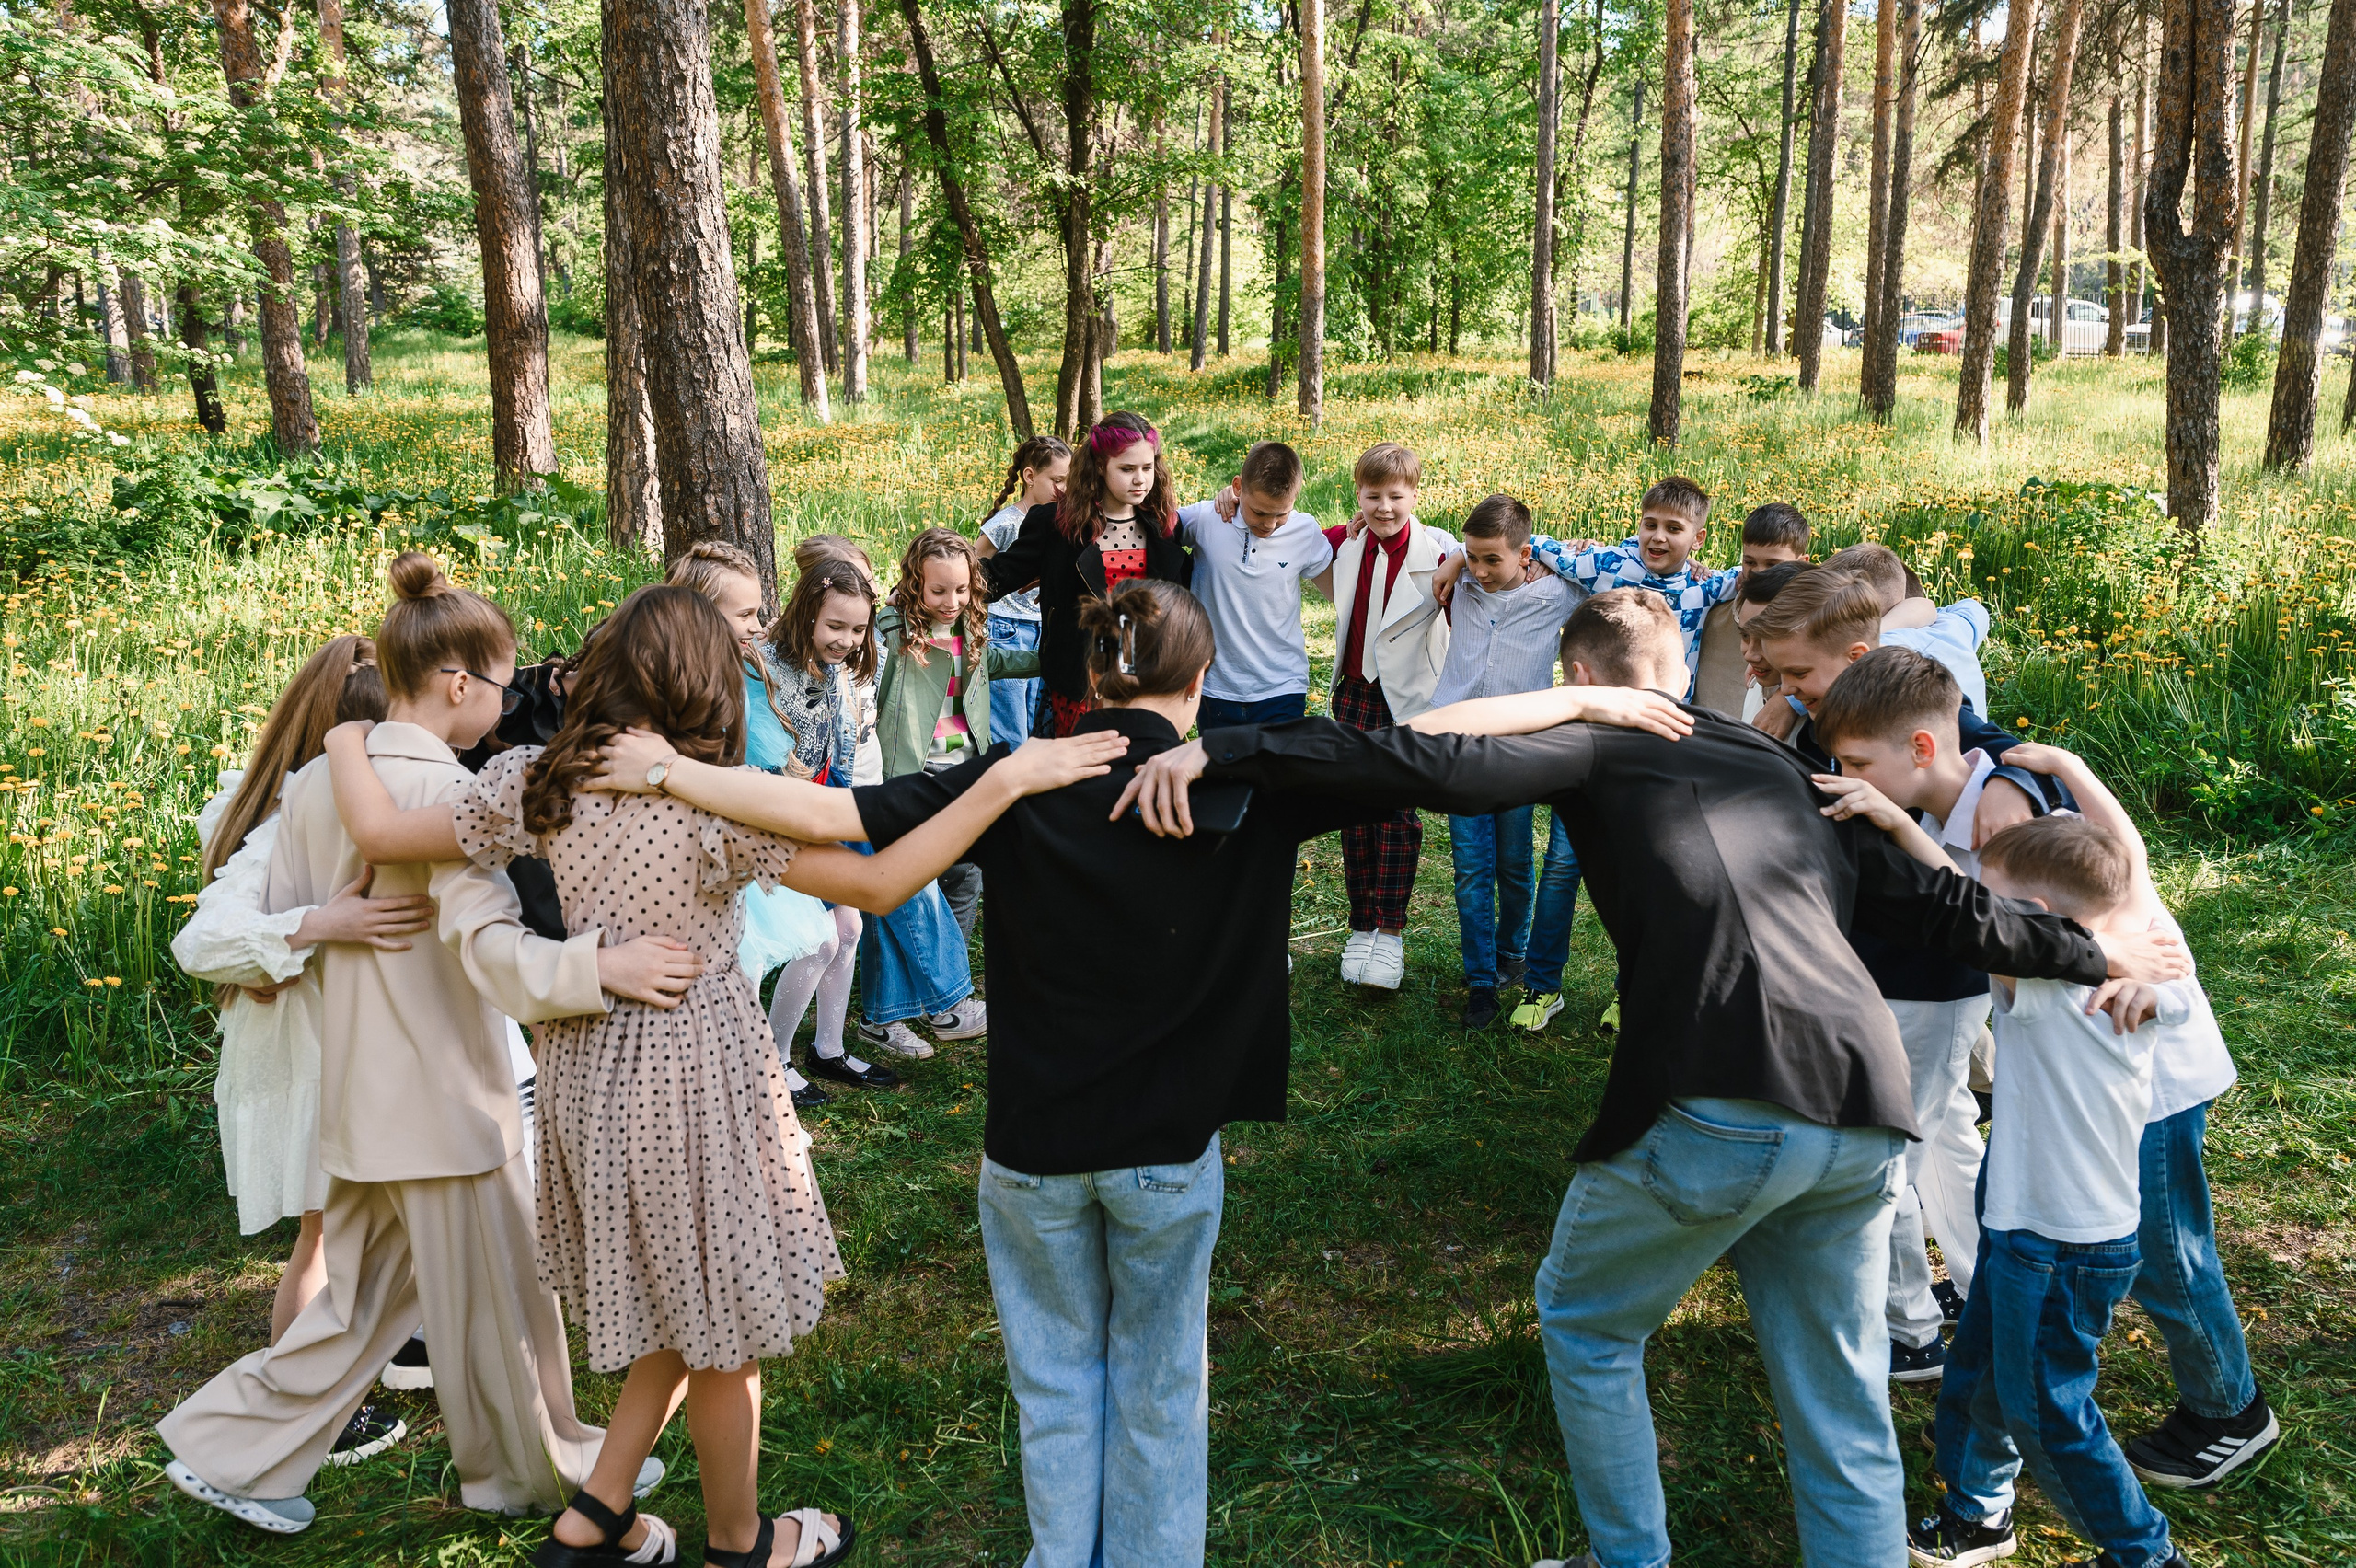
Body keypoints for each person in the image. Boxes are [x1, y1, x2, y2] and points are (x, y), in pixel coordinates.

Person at [595, 578, 1692, 1568]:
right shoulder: (1257, 776)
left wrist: (670, 771)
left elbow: (840, 818)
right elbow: (1426, 744)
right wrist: (1580, 702)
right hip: (1169, 1144)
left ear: (1085, 677)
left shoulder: (1019, 777)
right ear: (1203, 678)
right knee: (1163, 1382)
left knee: (1054, 1381)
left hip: (1033, 1144)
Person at [1117, 586, 2194, 1568]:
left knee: (1586, 1321)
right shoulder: (1777, 759)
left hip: (1722, 1092)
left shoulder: (1600, 740)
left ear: (1577, 682)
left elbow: (1413, 764)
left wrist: (1226, 752)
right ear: (1679, 670)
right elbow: (1943, 910)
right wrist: (2097, 952)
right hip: (1865, 1105)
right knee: (1840, 1392)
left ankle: (1627, 1559)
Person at [318, 583, 1130, 1568]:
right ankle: (741, 1544)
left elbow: (382, 835)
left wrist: (347, 737)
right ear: (707, 686)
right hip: (691, 1074)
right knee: (722, 1329)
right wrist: (1002, 784)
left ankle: (595, 1519)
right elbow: (878, 880)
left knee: (681, 1296)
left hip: (583, 1068)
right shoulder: (706, 806)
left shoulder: (540, 779)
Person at [157, 556, 704, 1537]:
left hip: (361, 1096)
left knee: (358, 1307)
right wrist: (596, 971)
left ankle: (229, 1451)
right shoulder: (439, 796)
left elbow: (287, 915)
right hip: (446, 1097)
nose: (503, 705)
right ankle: (540, 1474)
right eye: (499, 685)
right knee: (504, 1304)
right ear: (459, 683)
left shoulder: (328, 779)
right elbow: (489, 946)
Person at [1976, 744, 2281, 1496]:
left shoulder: (2118, 929)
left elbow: (2130, 853)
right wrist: (2065, 765)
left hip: (2158, 1103)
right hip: (2124, 1105)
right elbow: (2128, 841)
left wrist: (2065, 765)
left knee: (2170, 1254)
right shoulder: (2100, 902)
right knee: (2161, 1247)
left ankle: (2229, 1411)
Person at [1909, 813, 2195, 1568]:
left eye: (1996, 900)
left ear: (2039, 924)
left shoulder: (2042, 984)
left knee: (2046, 1410)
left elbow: (1954, 904)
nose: (1983, 909)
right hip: (2027, 1227)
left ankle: (2144, 1555)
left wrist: (1888, 825)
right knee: (1978, 1372)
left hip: (2061, 1246)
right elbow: (2136, 894)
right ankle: (1977, 1514)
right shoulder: (2123, 981)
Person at [174, 636, 428, 1458]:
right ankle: (308, 1399)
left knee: (383, 1219)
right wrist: (325, 924)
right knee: (326, 1231)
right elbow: (205, 940)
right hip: (309, 1059)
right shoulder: (289, 819)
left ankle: (390, 1346)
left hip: (346, 1049)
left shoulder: (327, 807)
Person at [1810, 648, 2021, 1381]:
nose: (1849, 780)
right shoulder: (1949, 788)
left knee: (1887, 1148)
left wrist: (1896, 825)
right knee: (1944, 1134)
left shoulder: (2001, 811)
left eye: (1859, 764)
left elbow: (1991, 920)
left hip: (1936, 990)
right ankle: (1976, 1288)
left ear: (1923, 748)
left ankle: (1909, 1329)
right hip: (1942, 992)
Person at [666, 541, 841, 1110]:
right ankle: (730, 1090)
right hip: (699, 844)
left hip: (742, 826)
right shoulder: (677, 680)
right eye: (745, 614)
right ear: (699, 612)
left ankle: (752, 1080)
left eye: (759, 611)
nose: (758, 625)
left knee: (760, 961)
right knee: (723, 970)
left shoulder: (739, 666)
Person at [863, 528, 1035, 1052]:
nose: (951, 601)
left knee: (963, 881)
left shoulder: (969, 627)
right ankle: (893, 1013)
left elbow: (996, 666)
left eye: (961, 590)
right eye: (938, 591)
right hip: (913, 781)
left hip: (965, 775)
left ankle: (943, 997)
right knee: (903, 892)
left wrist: (1060, 659)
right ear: (914, 584)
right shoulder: (893, 634)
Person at [1429, 493, 1586, 1031]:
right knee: (1472, 865)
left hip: (1521, 744)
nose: (1479, 568)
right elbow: (1439, 544)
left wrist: (1569, 550)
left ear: (1526, 554)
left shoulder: (1557, 592)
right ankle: (1479, 982)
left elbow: (1617, 572)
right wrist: (1456, 558)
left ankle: (1511, 954)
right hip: (1462, 742)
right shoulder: (1465, 580)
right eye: (1473, 556)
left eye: (1492, 559)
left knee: (1515, 863)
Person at [1747, 566, 2042, 846]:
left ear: (1856, 657)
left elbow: (2021, 757)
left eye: (1799, 673)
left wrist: (2009, 782)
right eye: (1781, 672)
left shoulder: (1911, 707)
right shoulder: (1812, 729)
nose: (1785, 689)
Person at [758, 556, 901, 1095]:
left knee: (850, 930)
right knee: (819, 940)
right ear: (805, 617)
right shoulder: (768, 663)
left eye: (858, 628)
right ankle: (771, 1060)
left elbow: (836, 737)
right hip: (780, 814)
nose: (846, 639)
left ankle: (828, 1050)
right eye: (834, 626)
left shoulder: (837, 664)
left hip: (826, 802)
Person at [1322, 441, 1460, 991]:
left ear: (1415, 495)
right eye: (1372, 495)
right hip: (1354, 691)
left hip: (1406, 698)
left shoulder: (1439, 548)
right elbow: (1302, 545)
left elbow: (1488, 556)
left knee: (1397, 815)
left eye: (1395, 496)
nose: (1384, 507)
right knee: (1355, 809)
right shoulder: (1348, 544)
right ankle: (1361, 925)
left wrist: (1458, 558)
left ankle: (1391, 931)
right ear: (1357, 496)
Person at [980, 410, 1193, 738]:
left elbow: (1185, 600)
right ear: (1099, 467)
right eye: (1127, 469)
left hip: (1147, 684)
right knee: (1083, 779)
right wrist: (919, 588)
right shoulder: (1058, 524)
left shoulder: (1163, 526)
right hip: (1080, 686)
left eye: (1147, 468)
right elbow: (997, 577)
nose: (1140, 479)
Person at [1501, 475, 1742, 694]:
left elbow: (1756, 569)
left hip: (1668, 714)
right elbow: (1525, 542)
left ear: (1698, 539)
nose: (1658, 536)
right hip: (1605, 707)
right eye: (1650, 525)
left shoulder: (1703, 586)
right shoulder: (1608, 565)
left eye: (1674, 529)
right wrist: (1531, 557)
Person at [1181, 439, 1336, 731]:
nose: (1269, 524)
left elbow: (1341, 594)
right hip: (1215, 685)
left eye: (1281, 514)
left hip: (1282, 685)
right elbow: (1152, 528)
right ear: (1237, 487)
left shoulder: (1305, 531)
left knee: (1275, 774)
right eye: (1260, 513)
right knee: (1221, 775)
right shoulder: (1207, 519)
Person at [976, 434, 1073, 745]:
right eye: (1058, 480)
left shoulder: (1061, 522)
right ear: (1030, 477)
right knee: (1010, 724)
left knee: (1034, 719)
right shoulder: (1008, 521)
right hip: (1006, 628)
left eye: (1070, 481)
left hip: (1042, 627)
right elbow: (972, 564)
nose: (1065, 489)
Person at [1822, 540, 1992, 713]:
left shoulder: (1874, 651)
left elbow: (1803, 688)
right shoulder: (1952, 627)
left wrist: (1875, 633)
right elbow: (1975, 608)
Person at [1691, 501, 1810, 717]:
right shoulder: (1717, 607)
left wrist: (1790, 700)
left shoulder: (1813, 617)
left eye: (1773, 565)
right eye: (1750, 562)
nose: (1759, 573)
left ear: (1802, 562)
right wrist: (1684, 564)